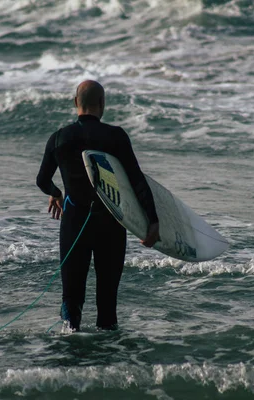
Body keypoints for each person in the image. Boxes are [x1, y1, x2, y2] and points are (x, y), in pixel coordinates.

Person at [36, 80, 160, 332]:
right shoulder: (115, 136)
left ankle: (70, 354)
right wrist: (153, 222)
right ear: (102, 104)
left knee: (72, 299)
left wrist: (56, 193)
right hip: (111, 224)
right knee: (107, 301)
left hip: (74, 222)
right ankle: (108, 359)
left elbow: (42, 180)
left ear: (75, 103)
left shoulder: (59, 137)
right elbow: (136, 181)